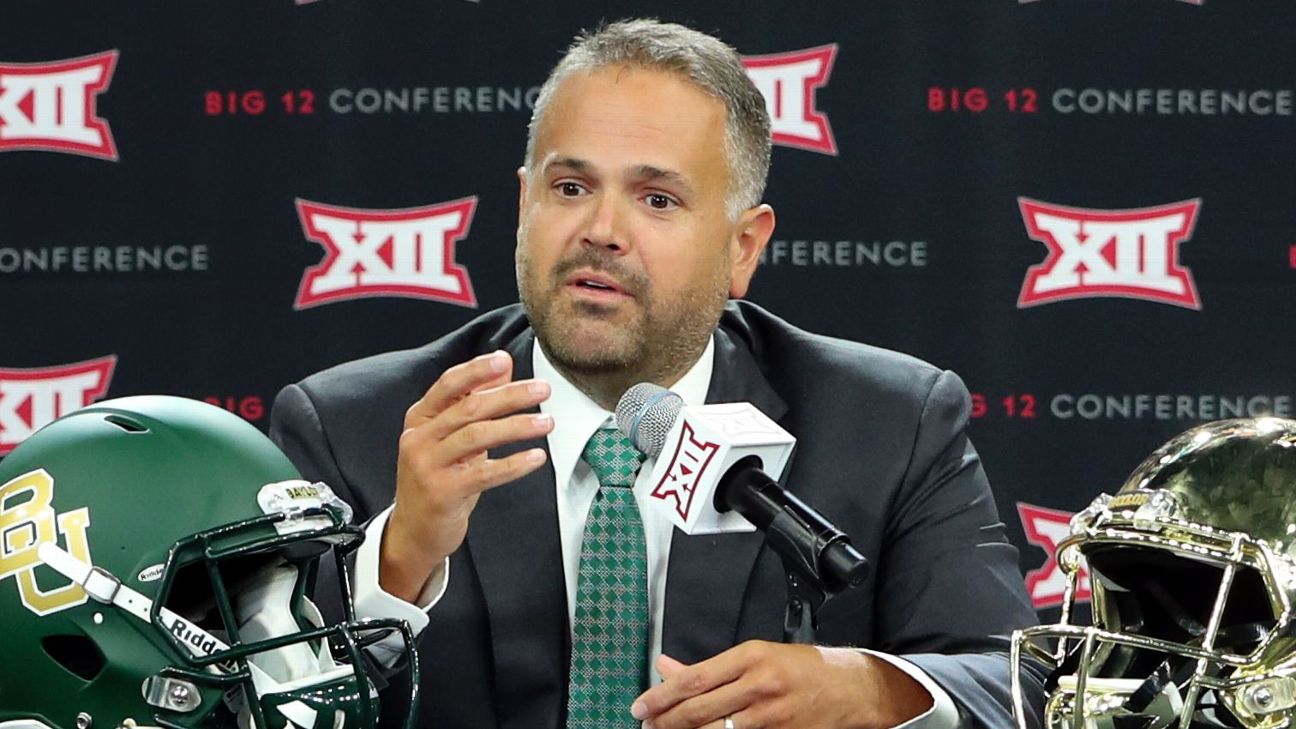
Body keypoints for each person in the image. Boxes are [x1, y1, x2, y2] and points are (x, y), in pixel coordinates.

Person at [270, 18, 1046, 729]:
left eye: (657, 198)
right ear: (523, 206)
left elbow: (1020, 681)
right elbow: (242, 695)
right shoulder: (354, 427)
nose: (601, 231)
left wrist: (870, 687)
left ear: (743, 247)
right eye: (569, 188)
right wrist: (399, 559)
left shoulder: (887, 424)